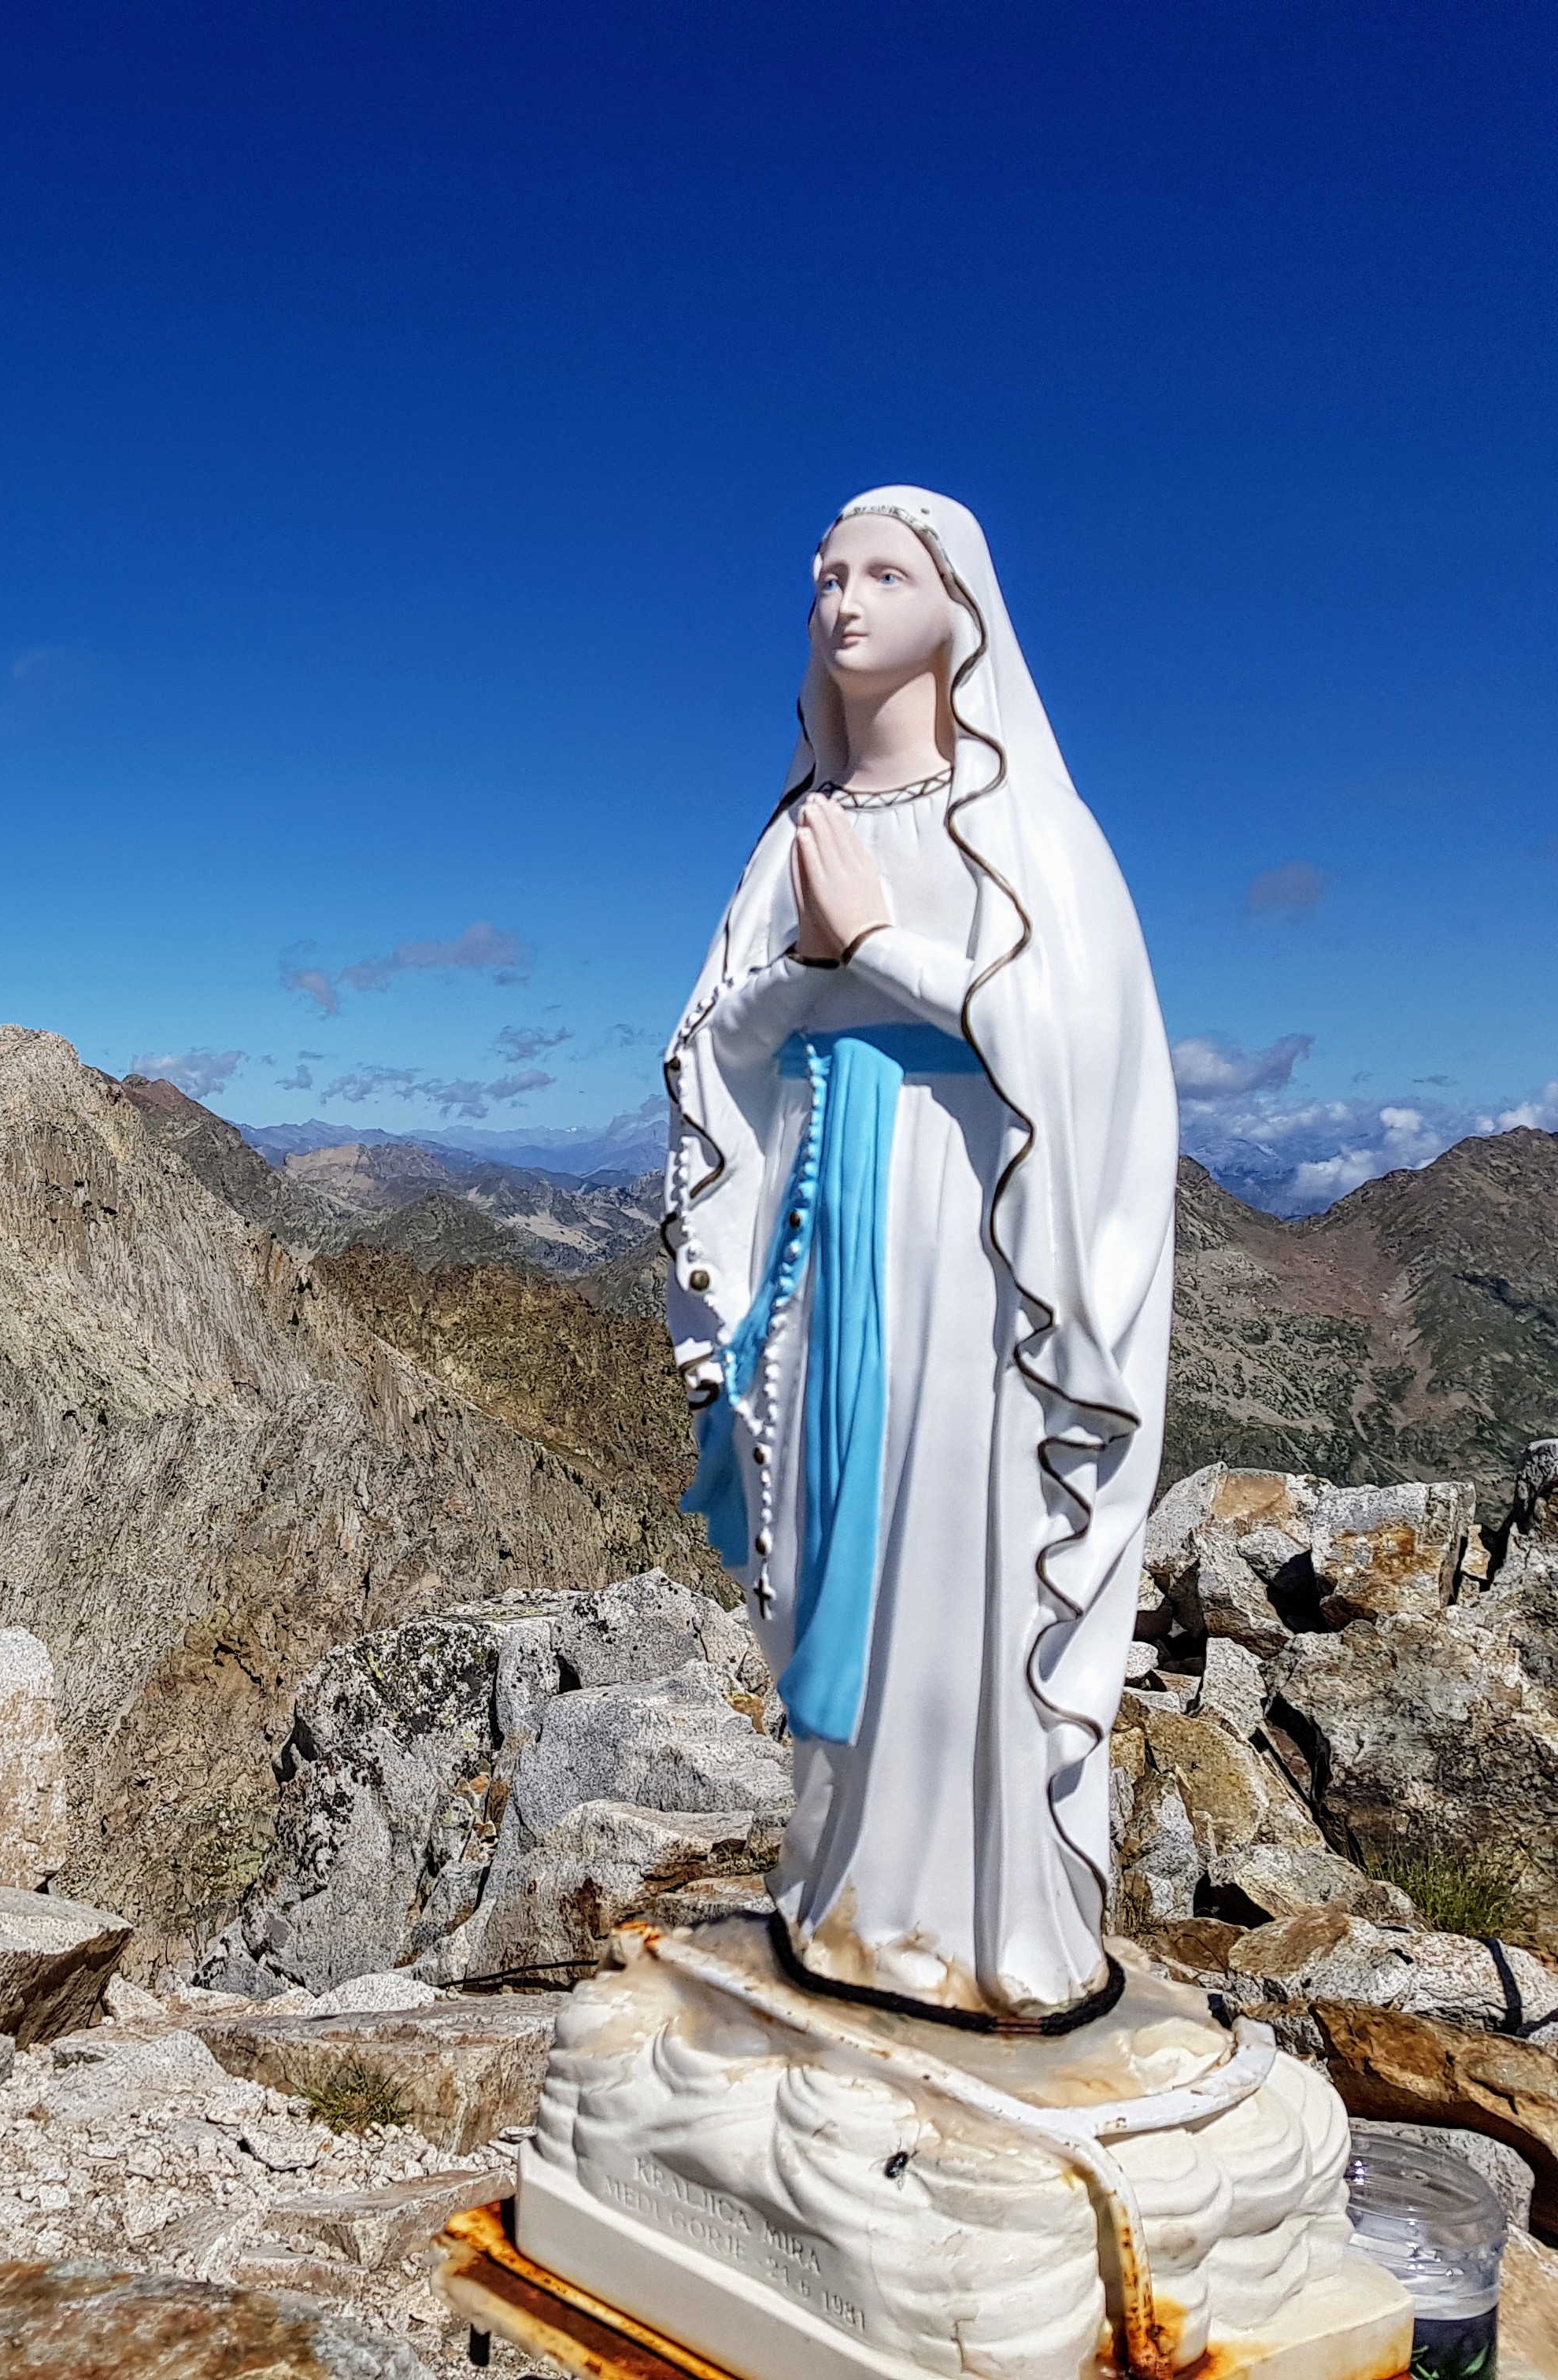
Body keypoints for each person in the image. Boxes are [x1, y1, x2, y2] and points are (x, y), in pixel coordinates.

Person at [661, 486, 1176, 2027]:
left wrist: (877, 950)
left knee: (965, 1551)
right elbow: (715, 1042)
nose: (844, 599)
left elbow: (1076, 1047)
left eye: (885, 572)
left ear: (960, 606)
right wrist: (818, 961)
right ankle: (850, 1901)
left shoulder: (1025, 827)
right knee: (842, 1549)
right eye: (828, 574)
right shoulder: (799, 833)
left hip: (976, 1248)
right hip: (829, 1229)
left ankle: (990, 1924)